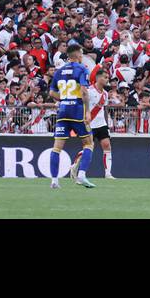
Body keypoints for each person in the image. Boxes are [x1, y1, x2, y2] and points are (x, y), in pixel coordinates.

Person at [49, 41, 96, 189]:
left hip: (63, 110)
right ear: (78, 55)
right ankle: (81, 175)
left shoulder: (59, 71)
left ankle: (54, 181)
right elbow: (83, 92)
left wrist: (64, 99)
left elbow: (51, 93)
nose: (82, 56)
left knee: (57, 148)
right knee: (89, 143)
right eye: (81, 54)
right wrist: (87, 110)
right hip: (77, 110)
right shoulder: (82, 69)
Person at [70, 62, 116, 181]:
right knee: (89, 148)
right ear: (98, 78)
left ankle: (108, 173)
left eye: (108, 78)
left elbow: (104, 110)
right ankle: (75, 164)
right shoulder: (89, 91)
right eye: (105, 77)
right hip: (89, 124)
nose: (107, 80)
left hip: (101, 124)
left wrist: (107, 124)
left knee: (107, 146)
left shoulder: (105, 94)